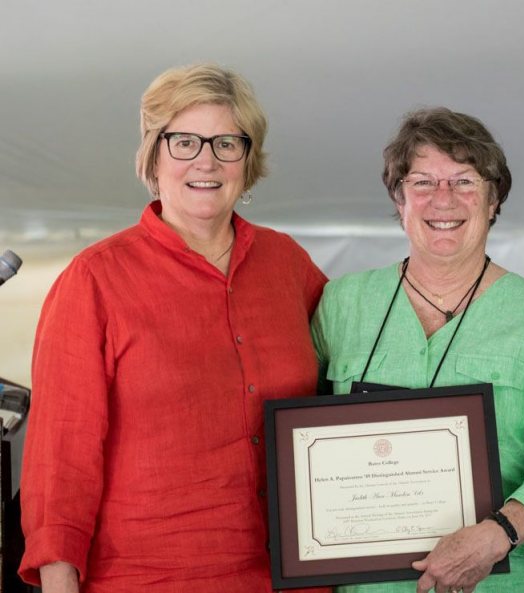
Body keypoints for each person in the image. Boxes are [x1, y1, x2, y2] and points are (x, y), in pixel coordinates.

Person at [18, 64, 330, 593]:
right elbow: (60, 463)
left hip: (290, 578)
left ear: (247, 160)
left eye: (227, 143)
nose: (206, 161)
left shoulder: (288, 265)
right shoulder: (94, 281)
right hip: (151, 579)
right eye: (184, 141)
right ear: (153, 155)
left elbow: (360, 377)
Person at [312, 107, 524, 593]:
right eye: (422, 182)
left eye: (464, 182)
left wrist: (500, 533)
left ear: (494, 200)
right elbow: (300, 442)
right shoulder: (341, 304)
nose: (443, 200)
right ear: (399, 199)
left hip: (508, 581)